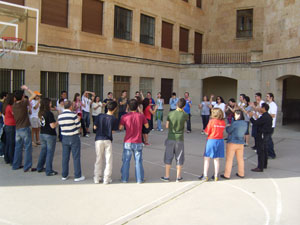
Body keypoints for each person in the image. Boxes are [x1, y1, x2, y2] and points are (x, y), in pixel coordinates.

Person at [119, 99, 149, 184]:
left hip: (128, 141)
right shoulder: (141, 116)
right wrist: (141, 113)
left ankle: (124, 179)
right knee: (138, 161)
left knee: (126, 161)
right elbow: (147, 126)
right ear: (137, 107)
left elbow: (120, 128)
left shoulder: (125, 116)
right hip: (138, 141)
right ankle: (139, 179)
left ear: (128, 106)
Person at [160, 98, 188, 182]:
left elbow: (167, 126)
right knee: (179, 157)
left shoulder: (170, 113)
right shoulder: (185, 115)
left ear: (176, 104)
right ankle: (178, 177)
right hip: (180, 138)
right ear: (184, 106)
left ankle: (167, 176)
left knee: (168, 156)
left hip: (171, 137)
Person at [58, 100, 85, 182]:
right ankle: (77, 175)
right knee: (76, 157)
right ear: (70, 107)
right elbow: (78, 126)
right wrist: (79, 119)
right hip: (73, 136)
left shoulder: (60, 116)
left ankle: (64, 175)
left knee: (65, 157)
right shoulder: (73, 115)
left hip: (65, 137)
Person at [12, 85, 37, 172]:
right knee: (28, 147)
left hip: (18, 128)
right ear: (22, 97)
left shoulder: (14, 105)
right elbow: (34, 95)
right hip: (25, 128)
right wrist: (27, 89)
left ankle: (16, 165)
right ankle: (27, 166)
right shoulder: (23, 103)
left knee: (18, 147)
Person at [93, 101, 118, 184]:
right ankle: (106, 178)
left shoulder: (100, 116)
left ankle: (97, 177)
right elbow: (113, 131)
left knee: (98, 159)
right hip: (107, 139)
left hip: (98, 139)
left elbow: (95, 127)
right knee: (108, 159)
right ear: (114, 109)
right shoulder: (114, 118)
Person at [199, 108, 226, 181]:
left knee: (207, 158)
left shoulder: (211, 121)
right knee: (216, 159)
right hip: (220, 141)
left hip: (211, 140)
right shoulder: (223, 122)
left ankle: (205, 175)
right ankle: (216, 175)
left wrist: (205, 132)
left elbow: (207, 132)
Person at [221, 110, 248, 179]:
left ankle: (227, 174)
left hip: (232, 142)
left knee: (229, 159)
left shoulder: (235, 123)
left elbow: (229, 130)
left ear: (239, 115)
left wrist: (228, 126)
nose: (234, 116)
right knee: (240, 159)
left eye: (235, 115)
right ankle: (241, 173)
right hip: (241, 142)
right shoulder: (245, 123)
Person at [36, 98, 58, 176]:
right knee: (50, 152)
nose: (51, 104)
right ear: (47, 104)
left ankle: (39, 167)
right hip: (50, 134)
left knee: (43, 151)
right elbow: (52, 126)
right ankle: (49, 170)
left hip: (42, 133)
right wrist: (57, 121)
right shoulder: (49, 113)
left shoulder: (41, 113)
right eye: (50, 103)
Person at [249, 103, 272, 172]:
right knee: (264, 149)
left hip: (262, 135)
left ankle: (260, 167)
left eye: (261, 107)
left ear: (264, 108)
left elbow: (256, 123)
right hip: (266, 134)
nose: (260, 109)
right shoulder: (267, 116)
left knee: (260, 151)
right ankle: (264, 164)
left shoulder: (264, 117)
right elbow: (260, 122)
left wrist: (251, 117)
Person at [2, 93, 16, 164]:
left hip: (7, 125)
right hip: (11, 125)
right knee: (11, 143)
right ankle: (11, 159)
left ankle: (7, 158)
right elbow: (14, 114)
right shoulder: (10, 107)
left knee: (7, 143)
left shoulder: (6, 106)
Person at [266, 93, 277, 159]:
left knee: (268, 139)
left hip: (270, 125)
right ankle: (268, 153)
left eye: (267, 96)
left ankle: (272, 154)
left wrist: (265, 115)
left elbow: (273, 115)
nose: (266, 97)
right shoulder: (268, 104)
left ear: (271, 97)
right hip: (266, 124)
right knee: (266, 139)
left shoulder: (273, 105)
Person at [0, 91, 7, 158]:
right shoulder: (1, 104)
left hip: (2, 122)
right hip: (1, 122)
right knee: (1, 138)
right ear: (4, 97)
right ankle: (1, 152)